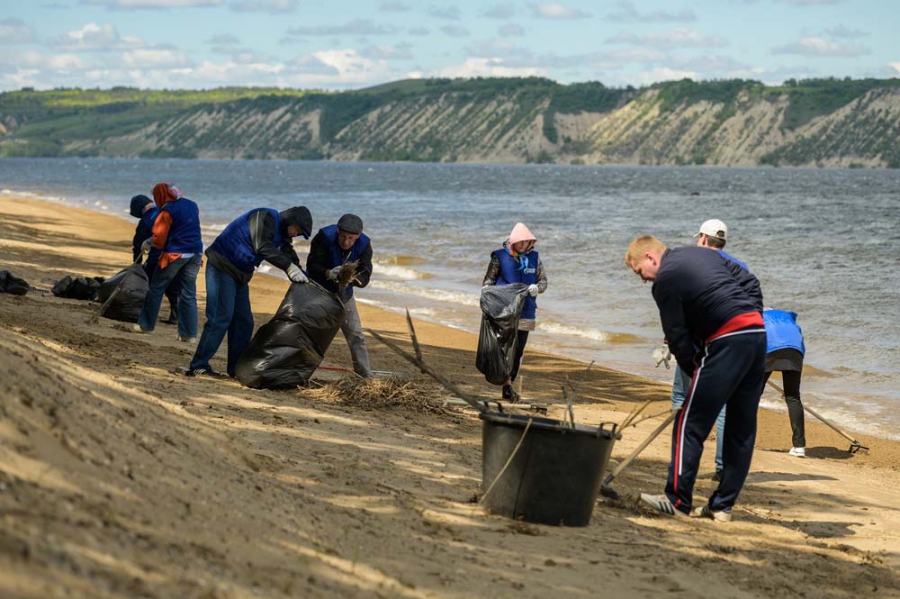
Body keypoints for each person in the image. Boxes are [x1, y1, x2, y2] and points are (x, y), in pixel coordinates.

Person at [625, 234, 765, 522]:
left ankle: (677, 500)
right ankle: (722, 506)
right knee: (741, 427)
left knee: (689, 422)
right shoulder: (705, 254)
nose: (643, 280)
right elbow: (751, 283)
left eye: (640, 272)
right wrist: (752, 315)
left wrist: (694, 368)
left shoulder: (664, 280)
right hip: (757, 335)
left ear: (651, 257)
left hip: (726, 340)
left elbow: (677, 336)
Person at [187, 206, 313, 378]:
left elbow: (288, 255)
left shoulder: (282, 234)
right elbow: (262, 246)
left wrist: (304, 277)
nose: (295, 234)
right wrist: (289, 267)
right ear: (291, 220)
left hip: (240, 275)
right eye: (297, 230)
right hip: (221, 266)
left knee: (244, 321)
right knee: (220, 317)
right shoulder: (265, 216)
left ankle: (236, 370)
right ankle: (198, 365)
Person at [671, 218, 749, 481]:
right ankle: (723, 467)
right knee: (725, 406)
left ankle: (682, 461)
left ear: (703, 238)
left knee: (681, 398)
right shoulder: (741, 267)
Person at [482, 222, 547, 401]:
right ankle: (507, 386)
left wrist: (537, 288)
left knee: (518, 350)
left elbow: (543, 281)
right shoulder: (499, 257)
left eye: (526, 242)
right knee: (504, 348)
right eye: (520, 241)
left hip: (526, 312)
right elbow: (487, 283)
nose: (523, 244)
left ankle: (509, 382)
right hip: (503, 312)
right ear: (513, 241)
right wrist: (490, 298)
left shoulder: (535, 258)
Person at [133, 183, 203, 343]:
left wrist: (148, 243)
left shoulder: (167, 211)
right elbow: (186, 227)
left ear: (161, 195)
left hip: (175, 254)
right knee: (188, 293)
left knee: (156, 288)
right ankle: (188, 334)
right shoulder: (192, 205)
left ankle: (145, 325)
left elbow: (159, 238)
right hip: (196, 253)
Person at [307, 214, 374, 378]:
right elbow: (312, 265)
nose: (346, 242)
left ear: (358, 236)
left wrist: (353, 278)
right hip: (319, 290)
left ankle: (365, 375)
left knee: (356, 335)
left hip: (345, 294)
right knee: (314, 334)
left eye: (351, 238)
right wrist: (328, 273)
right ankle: (303, 370)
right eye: (343, 236)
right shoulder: (324, 237)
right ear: (337, 231)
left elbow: (365, 274)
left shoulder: (365, 245)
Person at [763, 307, 807, 457]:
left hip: (769, 348)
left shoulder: (755, 317)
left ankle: (741, 438)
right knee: (793, 397)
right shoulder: (787, 317)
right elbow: (800, 343)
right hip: (795, 351)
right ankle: (799, 446)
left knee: (752, 394)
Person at [129, 194, 178, 325]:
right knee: (173, 285)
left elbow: (138, 244)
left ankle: (145, 315)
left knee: (150, 282)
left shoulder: (146, 220)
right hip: (180, 253)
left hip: (159, 255)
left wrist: (137, 264)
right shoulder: (165, 211)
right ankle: (175, 315)